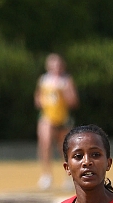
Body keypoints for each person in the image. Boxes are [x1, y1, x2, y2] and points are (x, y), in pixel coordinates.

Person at [34, 53, 79, 190]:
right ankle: (46, 175)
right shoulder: (43, 80)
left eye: (58, 65)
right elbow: (37, 99)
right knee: (45, 143)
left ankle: (69, 175)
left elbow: (74, 102)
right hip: (47, 117)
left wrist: (64, 93)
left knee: (64, 148)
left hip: (62, 118)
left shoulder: (66, 80)